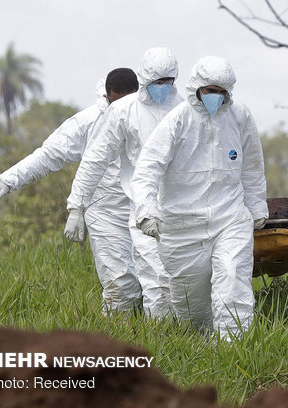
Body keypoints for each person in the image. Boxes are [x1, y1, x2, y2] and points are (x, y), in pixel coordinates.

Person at [131, 56, 268, 340]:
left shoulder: (240, 116)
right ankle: (199, 344)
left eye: (221, 91)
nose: (215, 97)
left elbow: (252, 165)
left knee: (232, 278)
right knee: (191, 307)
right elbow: (147, 168)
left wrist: (256, 209)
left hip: (230, 216)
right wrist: (146, 210)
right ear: (196, 88)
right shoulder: (177, 120)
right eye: (209, 91)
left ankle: (234, 350)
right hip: (181, 225)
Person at [0, 68, 142, 313]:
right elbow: (50, 154)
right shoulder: (90, 121)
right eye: (117, 100)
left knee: (156, 281)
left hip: (145, 208)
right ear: (108, 96)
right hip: (105, 212)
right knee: (120, 282)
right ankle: (116, 337)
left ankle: (160, 334)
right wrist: (8, 180)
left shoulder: (150, 115)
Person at [65, 47, 184, 318]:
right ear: (144, 79)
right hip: (142, 208)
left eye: (168, 82)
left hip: (183, 207)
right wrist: (77, 206)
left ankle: (192, 338)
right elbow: (96, 158)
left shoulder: (184, 110)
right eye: (156, 82)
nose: (162, 88)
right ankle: (162, 340)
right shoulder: (123, 110)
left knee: (185, 282)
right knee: (155, 279)